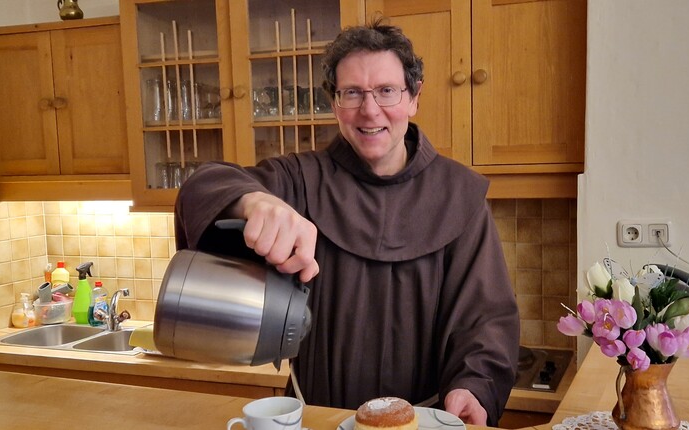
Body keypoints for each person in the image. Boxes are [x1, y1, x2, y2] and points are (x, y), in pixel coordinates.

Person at [173, 21, 519, 426]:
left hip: (423, 422)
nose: (369, 110)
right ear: (334, 103)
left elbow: (486, 318)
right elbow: (202, 186)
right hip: (317, 418)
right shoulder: (299, 180)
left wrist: (474, 386)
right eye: (352, 93)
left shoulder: (459, 194)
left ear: (414, 97)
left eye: (386, 91)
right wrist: (253, 200)